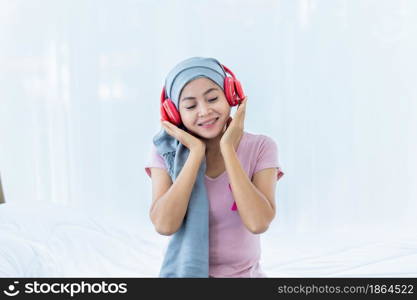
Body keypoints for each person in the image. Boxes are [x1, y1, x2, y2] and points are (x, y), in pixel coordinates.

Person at [144, 57, 284, 278]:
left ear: (230, 96)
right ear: (174, 113)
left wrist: (228, 148)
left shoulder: (261, 147)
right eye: (190, 105)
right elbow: (164, 225)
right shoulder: (165, 153)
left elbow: (258, 223)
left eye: (212, 98)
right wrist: (195, 154)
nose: (204, 111)